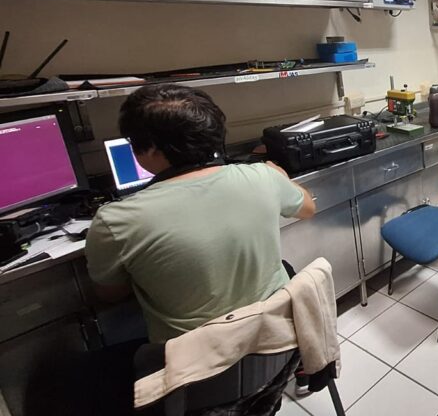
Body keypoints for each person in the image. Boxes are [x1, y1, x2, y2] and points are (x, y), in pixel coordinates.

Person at [84, 84, 316, 413]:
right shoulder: (262, 176)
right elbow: (307, 208)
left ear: (150, 150)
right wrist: (280, 176)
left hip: (197, 382)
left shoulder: (115, 220)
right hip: (275, 357)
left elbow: (110, 293)